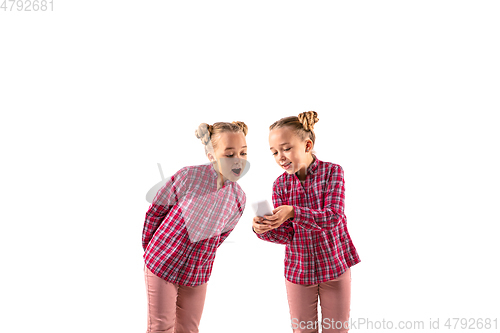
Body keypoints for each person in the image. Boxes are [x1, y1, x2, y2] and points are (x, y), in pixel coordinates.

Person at [252, 111, 360, 333]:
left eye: (286, 148)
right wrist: (263, 228)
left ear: (308, 145)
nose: (280, 156)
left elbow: (334, 217)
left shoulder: (332, 172)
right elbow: (287, 235)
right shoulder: (280, 185)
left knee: (337, 330)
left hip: (335, 266)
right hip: (299, 271)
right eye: (274, 152)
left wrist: (293, 212)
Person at [143, 121, 248, 333]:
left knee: (189, 329)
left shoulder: (239, 198)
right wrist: (152, 251)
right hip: (162, 263)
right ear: (211, 156)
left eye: (243, 153)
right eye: (229, 154)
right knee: (161, 327)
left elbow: (221, 237)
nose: (238, 160)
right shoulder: (188, 176)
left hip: (197, 273)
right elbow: (156, 212)